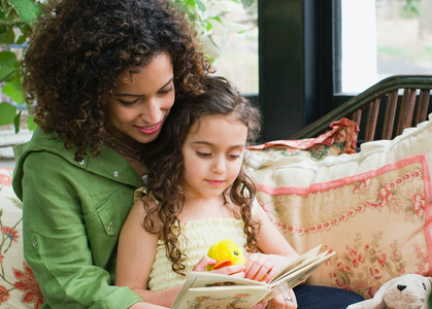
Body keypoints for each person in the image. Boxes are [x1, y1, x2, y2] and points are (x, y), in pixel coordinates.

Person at [12, 0, 215, 308]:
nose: (154, 115)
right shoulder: (50, 166)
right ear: (90, 93)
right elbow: (70, 284)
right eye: (130, 100)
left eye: (164, 91)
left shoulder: (188, 124)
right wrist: (165, 301)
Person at [115, 76, 300, 309]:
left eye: (233, 155)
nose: (220, 168)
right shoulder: (152, 211)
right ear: (175, 147)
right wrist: (186, 292)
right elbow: (126, 296)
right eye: (204, 153)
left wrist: (272, 267)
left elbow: (292, 260)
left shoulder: (239, 202)